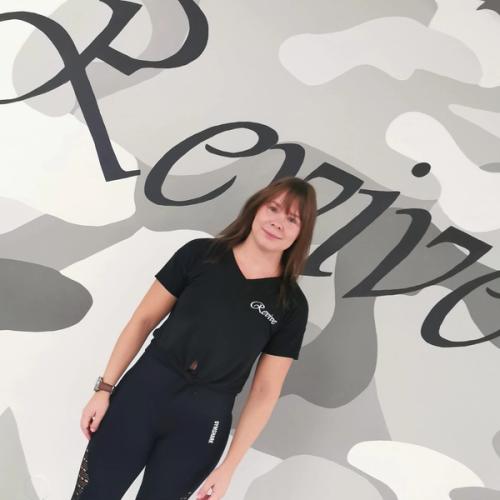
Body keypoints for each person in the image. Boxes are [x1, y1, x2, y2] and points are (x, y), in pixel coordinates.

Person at [70, 175, 317, 500]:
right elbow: (142, 321)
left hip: (202, 423)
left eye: (292, 219)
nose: (278, 223)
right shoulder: (200, 254)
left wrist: (229, 467)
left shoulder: (291, 305)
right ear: (256, 208)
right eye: (273, 208)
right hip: (142, 395)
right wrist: (104, 390)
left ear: (301, 233)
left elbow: (265, 391)